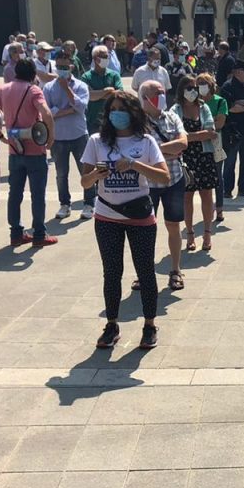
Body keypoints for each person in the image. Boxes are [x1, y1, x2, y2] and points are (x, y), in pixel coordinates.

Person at [79, 90, 171, 350]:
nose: (117, 114)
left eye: (122, 109)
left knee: (145, 272)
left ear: (133, 113)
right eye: (113, 110)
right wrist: (97, 174)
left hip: (139, 216)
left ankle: (150, 325)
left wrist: (133, 164)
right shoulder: (96, 141)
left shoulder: (146, 142)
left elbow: (164, 177)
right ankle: (111, 324)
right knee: (111, 272)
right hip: (107, 216)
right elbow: (84, 181)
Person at [0, 58, 56, 247]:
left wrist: (0, 135)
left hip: (14, 150)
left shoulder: (4, 89)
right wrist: (50, 137)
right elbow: (46, 113)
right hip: (35, 149)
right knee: (37, 194)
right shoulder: (33, 90)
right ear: (33, 74)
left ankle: (16, 233)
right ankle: (39, 234)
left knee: (15, 193)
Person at [140, 79, 190, 291]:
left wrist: (154, 150)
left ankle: (175, 270)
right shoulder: (137, 122)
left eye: (162, 92)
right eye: (156, 93)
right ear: (144, 98)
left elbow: (183, 143)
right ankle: (144, 273)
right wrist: (168, 150)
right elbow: (138, 152)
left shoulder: (172, 117)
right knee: (144, 229)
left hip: (173, 180)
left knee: (173, 226)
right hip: (146, 184)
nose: (161, 96)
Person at [43, 48, 93, 220]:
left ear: (71, 66)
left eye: (65, 67)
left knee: (85, 170)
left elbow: (81, 107)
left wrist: (67, 90)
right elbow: (47, 112)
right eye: (59, 67)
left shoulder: (80, 86)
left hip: (79, 135)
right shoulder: (49, 87)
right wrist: (67, 110)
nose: (61, 70)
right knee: (61, 174)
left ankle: (89, 203)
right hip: (58, 137)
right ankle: (65, 204)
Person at [176, 76, 219, 260]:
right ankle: (190, 234)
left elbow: (211, 132)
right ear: (181, 90)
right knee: (187, 197)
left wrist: (187, 137)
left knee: (207, 195)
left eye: (195, 88)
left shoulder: (203, 108)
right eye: (189, 88)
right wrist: (198, 135)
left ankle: (207, 233)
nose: (193, 91)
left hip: (204, 156)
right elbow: (174, 135)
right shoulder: (175, 110)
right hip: (185, 159)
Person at [220, 59, 244, 199]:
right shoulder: (227, 86)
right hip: (232, 130)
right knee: (230, 162)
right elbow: (231, 108)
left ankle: (243, 189)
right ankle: (227, 190)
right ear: (237, 72)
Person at [198, 73, 228, 222]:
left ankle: (219, 209)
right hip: (199, 144)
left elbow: (220, 123)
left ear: (210, 86)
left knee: (217, 177)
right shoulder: (195, 103)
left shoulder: (220, 101)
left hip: (216, 143)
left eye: (204, 84)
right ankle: (207, 208)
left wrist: (202, 127)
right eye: (199, 85)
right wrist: (211, 123)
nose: (201, 87)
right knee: (203, 178)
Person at [82, 44, 123, 137]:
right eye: (104, 57)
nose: (106, 59)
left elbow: (119, 93)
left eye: (107, 56)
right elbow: (89, 96)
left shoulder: (114, 75)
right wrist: (106, 91)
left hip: (112, 118)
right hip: (93, 120)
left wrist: (97, 94)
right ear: (95, 59)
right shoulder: (86, 77)